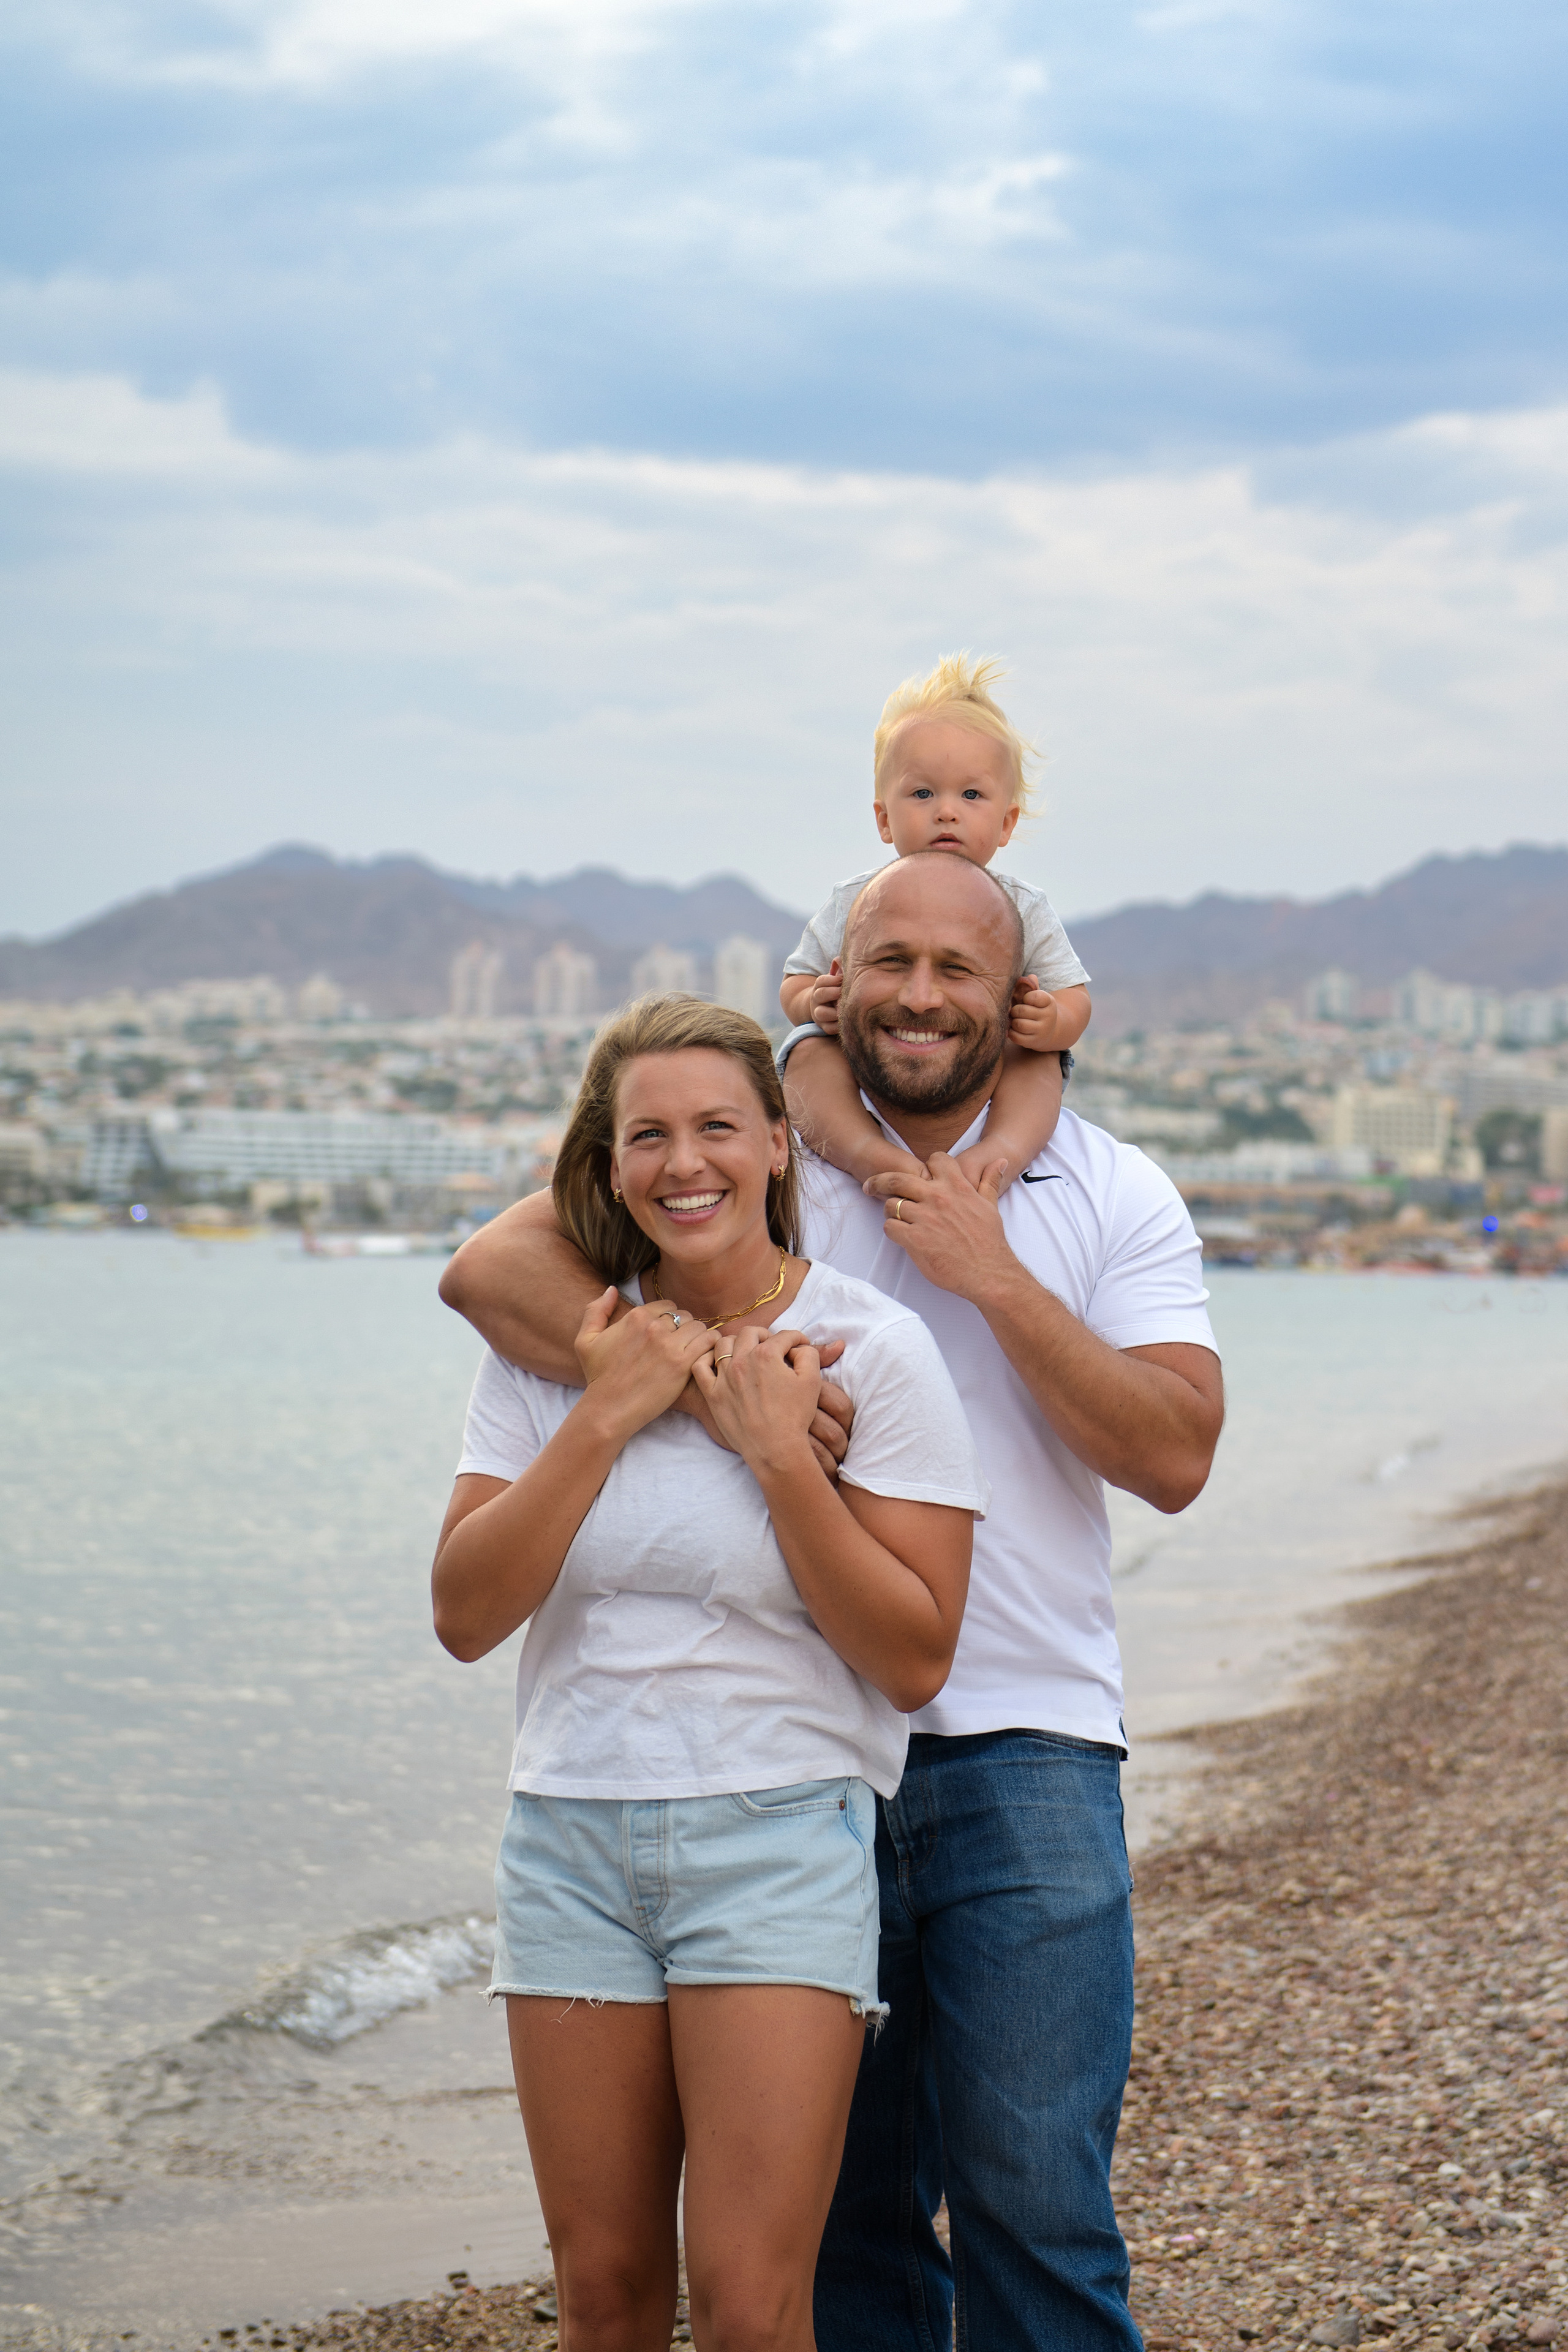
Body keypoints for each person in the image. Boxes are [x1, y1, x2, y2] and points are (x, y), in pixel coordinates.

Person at [439, 853, 1224, 2352]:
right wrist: (676, 1386)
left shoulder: (1106, 1190)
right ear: (829, 985)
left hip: (1018, 1739)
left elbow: (1175, 1455)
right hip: (791, 1758)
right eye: (888, 962)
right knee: (837, 2230)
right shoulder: (749, 1162)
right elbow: (488, 1269)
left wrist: (987, 1274)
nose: (919, 994)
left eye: (954, 969)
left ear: (1022, 1007)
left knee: (1034, 2199)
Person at [431, 993, 989, 2352]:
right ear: (608, 1162)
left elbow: (914, 1657)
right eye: (648, 1136)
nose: (685, 1164)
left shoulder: (876, 1352)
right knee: (605, 2299)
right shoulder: (557, 1355)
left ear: (780, 1148)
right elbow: (463, 1611)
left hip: (777, 1836)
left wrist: (781, 1453)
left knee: (749, 2306)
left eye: (717, 1129)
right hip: (568, 1834)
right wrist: (607, 1409)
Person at [778, 651, 1092, 1199]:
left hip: (984, 1058)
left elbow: (1075, 998)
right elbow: (796, 982)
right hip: (866, 1059)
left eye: (971, 795)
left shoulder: (1023, 907)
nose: (947, 811)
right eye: (923, 794)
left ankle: (997, 1158)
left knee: (1037, 1062)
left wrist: (1052, 1022)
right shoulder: (857, 900)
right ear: (883, 818)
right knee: (808, 1052)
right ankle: (867, 1154)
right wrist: (813, 1003)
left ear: (1006, 824)